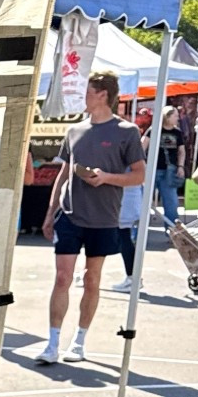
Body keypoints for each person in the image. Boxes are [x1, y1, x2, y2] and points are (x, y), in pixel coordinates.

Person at [38, 72, 147, 364]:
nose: (82, 96)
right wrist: (50, 213)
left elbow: (139, 175)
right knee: (62, 277)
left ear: (102, 94)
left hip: (104, 218)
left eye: (87, 91)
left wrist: (106, 178)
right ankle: (52, 343)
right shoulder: (74, 131)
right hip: (70, 215)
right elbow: (63, 172)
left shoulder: (127, 131)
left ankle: (79, 340)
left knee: (92, 280)